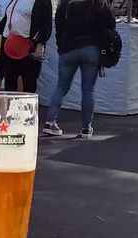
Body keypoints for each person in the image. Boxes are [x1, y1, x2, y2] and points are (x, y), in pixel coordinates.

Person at [42, 0, 114, 139]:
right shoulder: (99, 3)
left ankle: (49, 123)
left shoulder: (65, 2)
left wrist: (61, 46)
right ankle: (86, 128)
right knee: (88, 90)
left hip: (68, 49)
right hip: (91, 49)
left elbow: (58, 24)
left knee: (61, 87)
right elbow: (110, 24)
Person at [0, 0, 52, 92]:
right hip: (10, 44)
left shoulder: (41, 2)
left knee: (29, 81)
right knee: (10, 80)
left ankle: (28, 105)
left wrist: (40, 44)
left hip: (28, 46)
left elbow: (46, 25)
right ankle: (11, 105)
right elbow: (6, 18)